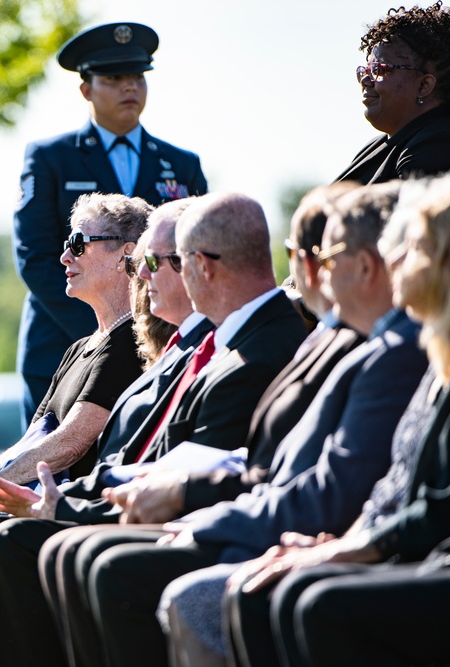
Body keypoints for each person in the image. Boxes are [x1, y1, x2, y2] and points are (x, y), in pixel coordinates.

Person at [45, 182, 427, 667]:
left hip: (287, 527)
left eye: (167, 261)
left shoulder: (370, 350)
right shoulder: (327, 340)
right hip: (268, 515)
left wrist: (200, 512)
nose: (313, 275)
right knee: (71, 553)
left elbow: (340, 486)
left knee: (108, 566)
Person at [0, 192, 307, 666]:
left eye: (153, 261)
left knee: (59, 552)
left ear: (199, 265)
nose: (142, 274)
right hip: (148, 501)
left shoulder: (249, 349)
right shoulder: (203, 343)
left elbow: (183, 463)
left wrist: (60, 504)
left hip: (203, 519)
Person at [224, 174, 450, 667]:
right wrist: (345, 542)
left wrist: (350, 550)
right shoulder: (439, 356)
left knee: (316, 600)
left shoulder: (437, 360)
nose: (394, 259)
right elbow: (398, 484)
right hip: (421, 546)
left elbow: (445, 506)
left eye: (414, 247)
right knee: (284, 592)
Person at [0, 192, 149, 666]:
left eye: (78, 242)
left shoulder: (128, 342)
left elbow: (73, 440)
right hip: (39, 500)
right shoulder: (82, 345)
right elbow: (37, 432)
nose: (64, 255)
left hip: (75, 505)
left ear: (126, 252)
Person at [104, 182, 365, 527]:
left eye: (160, 260)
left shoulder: (259, 352)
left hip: (254, 527)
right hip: (253, 517)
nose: (142, 273)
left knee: (86, 556)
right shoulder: (250, 342)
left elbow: (299, 481)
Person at [13, 21, 208, 426]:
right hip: (63, 340)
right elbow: (35, 256)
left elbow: (197, 251)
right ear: (86, 89)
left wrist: (147, 326)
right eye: (114, 77)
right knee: (47, 469)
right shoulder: (51, 158)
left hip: (159, 339)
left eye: (137, 76)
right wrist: (110, 329)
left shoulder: (182, 165)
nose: (129, 87)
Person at [336, 3, 450, 183]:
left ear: (424, 85)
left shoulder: (439, 144)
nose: (365, 80)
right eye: (365, 70)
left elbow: (415, 211)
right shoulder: (378, 144)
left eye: (379, 70)